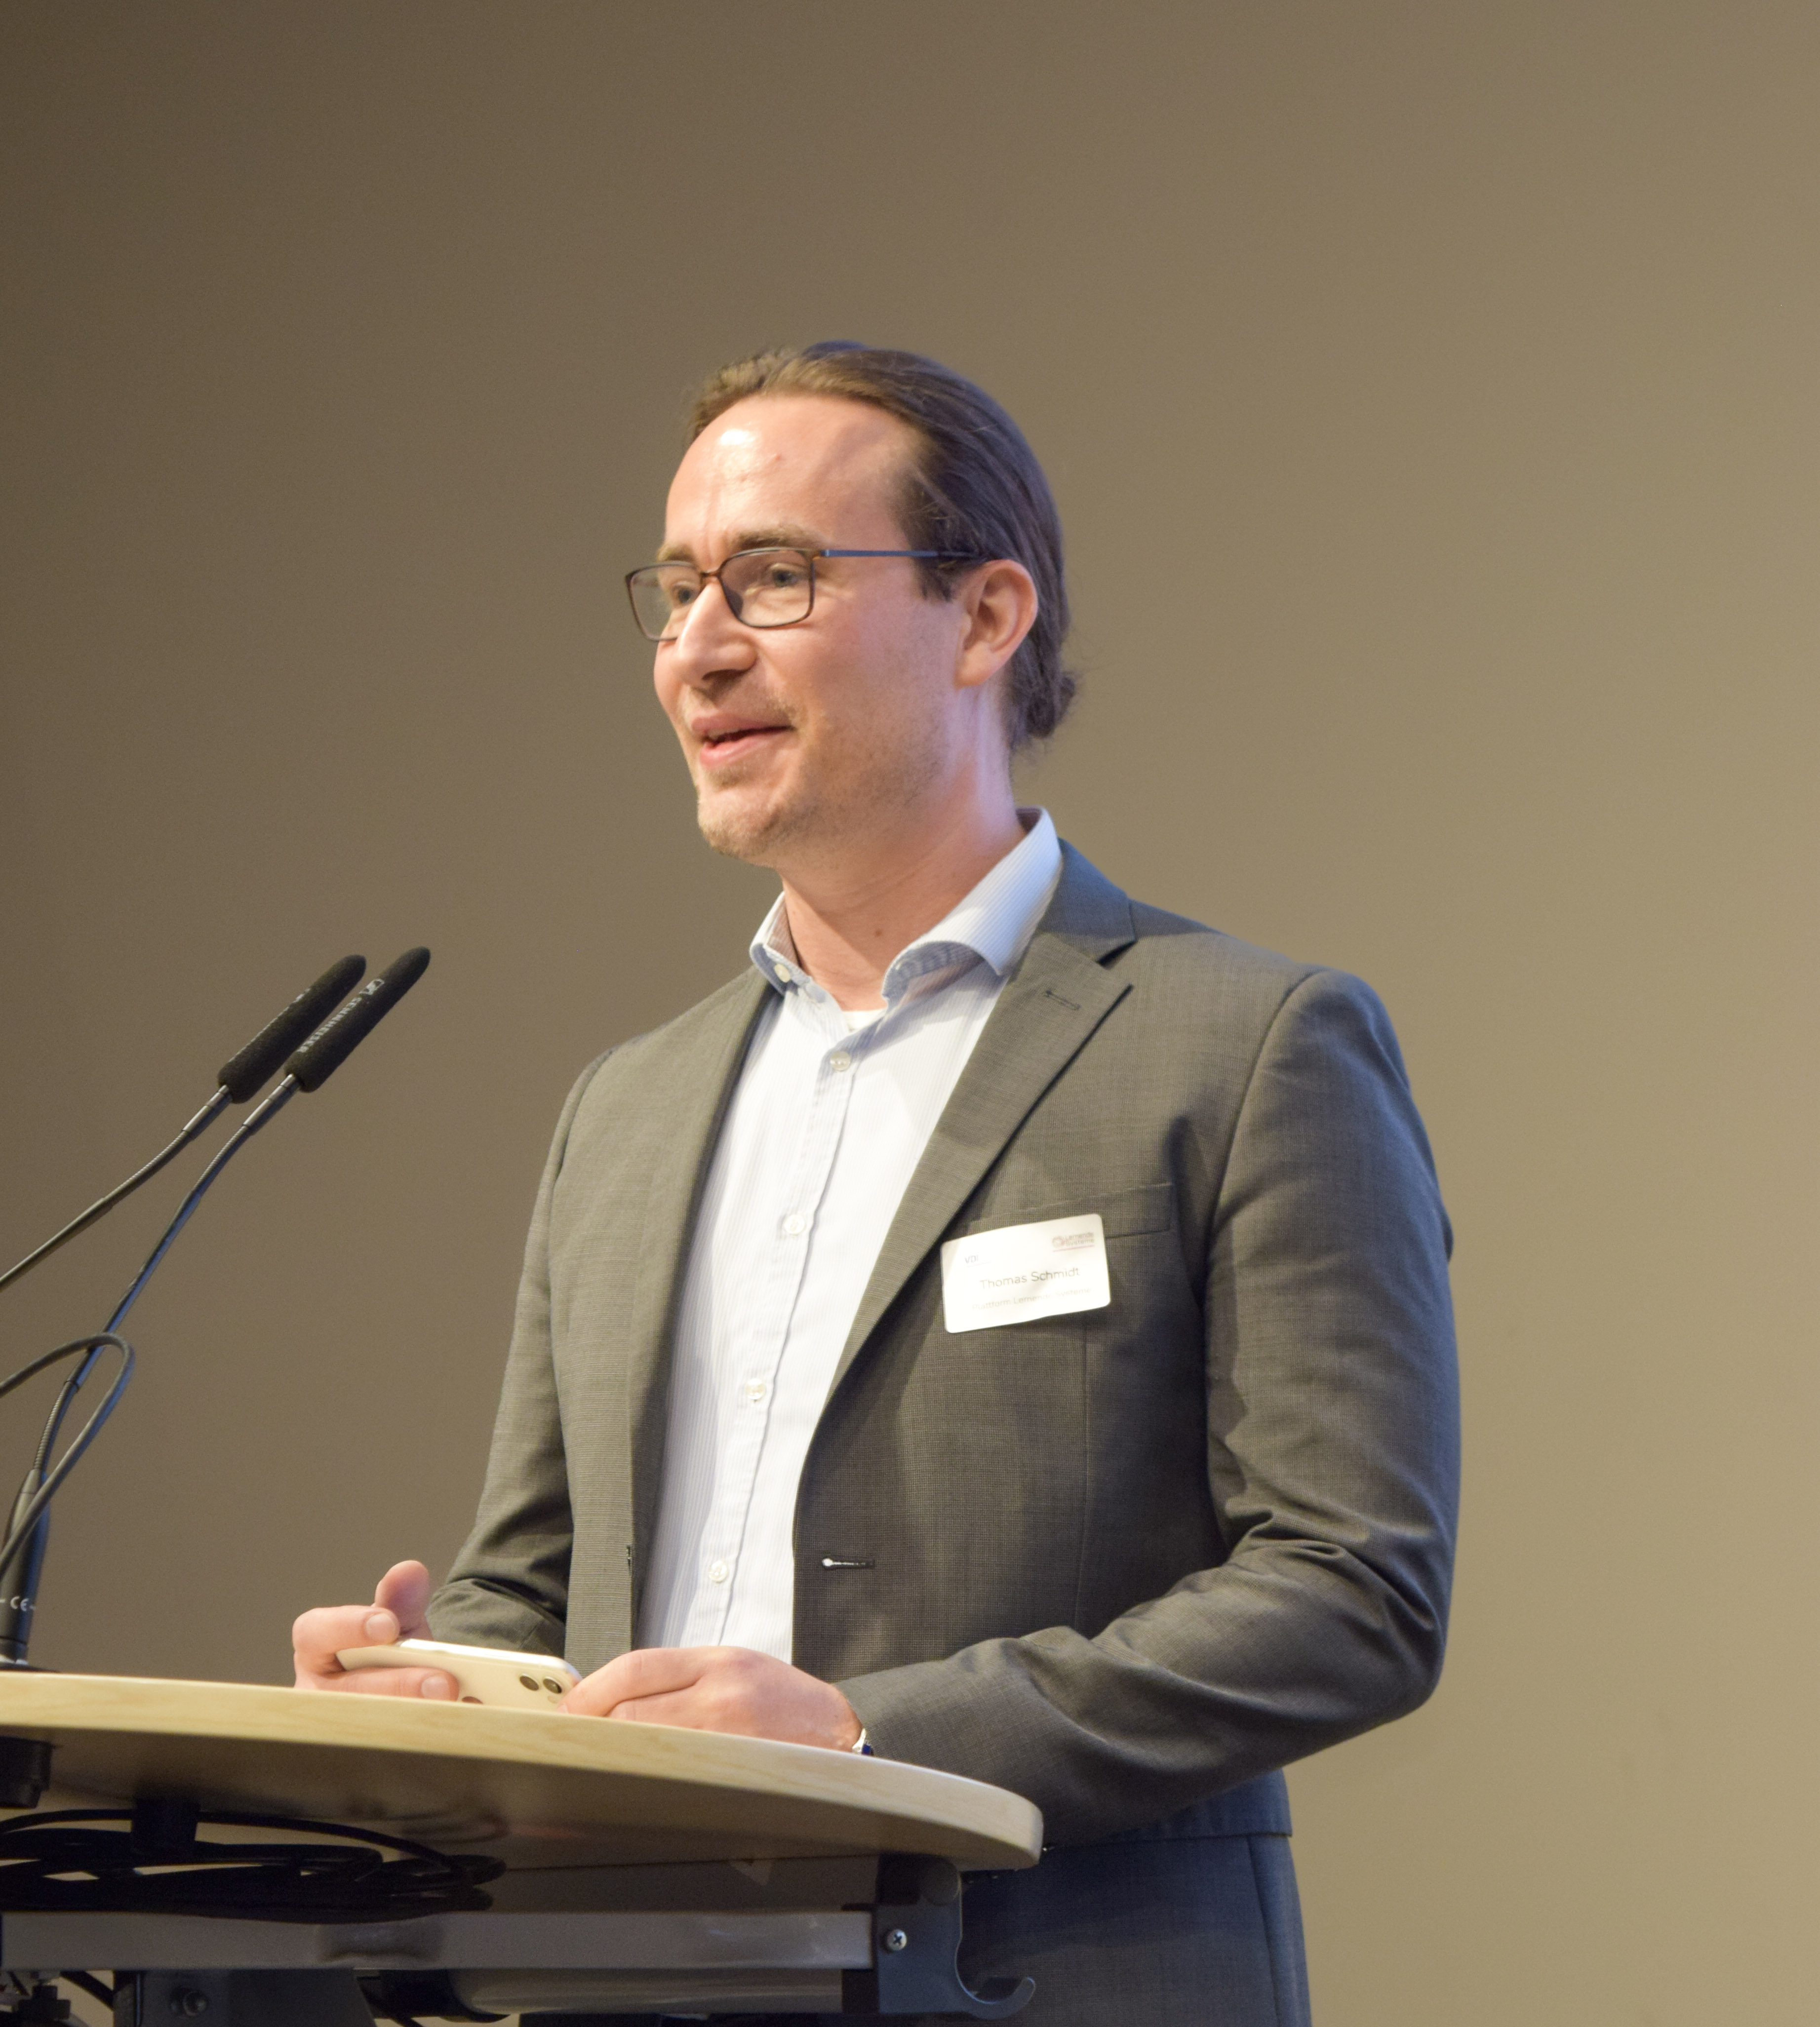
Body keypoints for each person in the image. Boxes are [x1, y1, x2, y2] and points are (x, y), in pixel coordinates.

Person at [292, 342, 1460, 2026]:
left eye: (774, 578)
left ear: (985, 619)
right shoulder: (625, 1109)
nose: (699, 647)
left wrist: (861, 1737)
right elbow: (532, 1588)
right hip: (626, 1985)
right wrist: (435, 1691)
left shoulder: (1248, 1047)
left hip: (1038, 1979)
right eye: (678, 590)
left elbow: (1354, 1591)